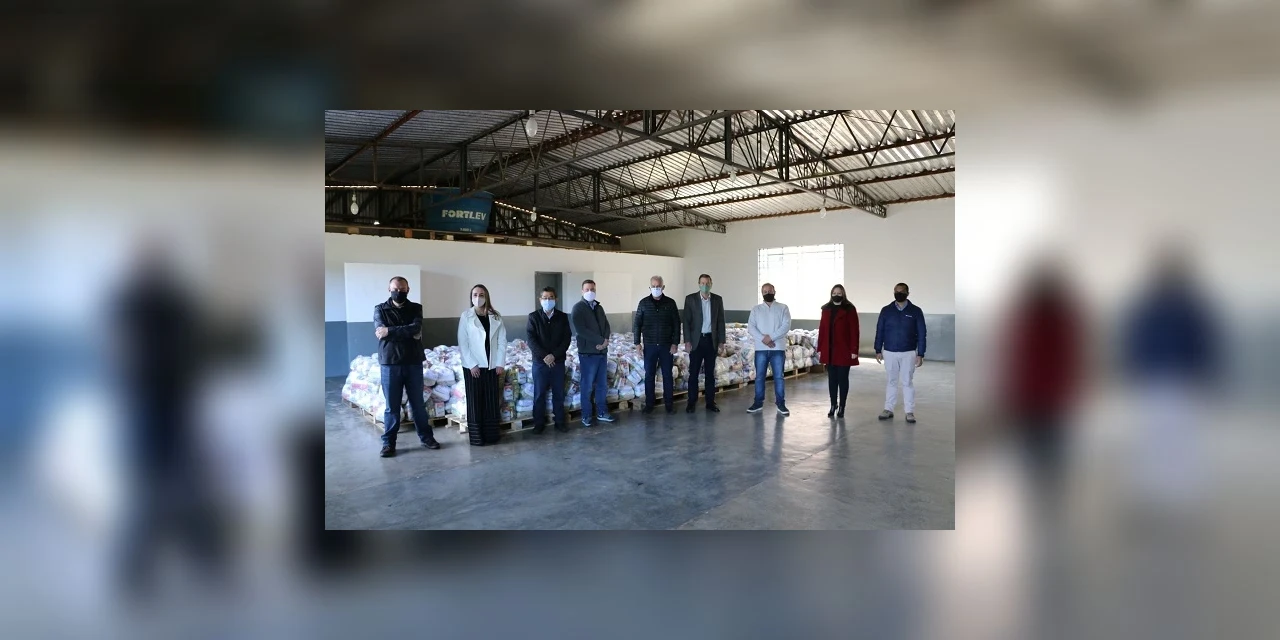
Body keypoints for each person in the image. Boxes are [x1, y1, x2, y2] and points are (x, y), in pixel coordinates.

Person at [374, 276, 441, 457]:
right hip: (390, 363)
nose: (399, 292)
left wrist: (390, 331)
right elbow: (381, 331)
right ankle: (388, 443)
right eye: (396, 289)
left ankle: (427, 438)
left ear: (408, 290)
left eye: (402, 289)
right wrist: (405, 331)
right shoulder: (380, 309)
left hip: (413, 362)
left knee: (418, 404)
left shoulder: (416, 308)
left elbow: (416, 328)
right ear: (389, 289)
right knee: (392, 407)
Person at [458, 284, 506, 446]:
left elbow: (502, 341)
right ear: (471, 297)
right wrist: (472, 364)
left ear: (487, 297)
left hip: (492, 365)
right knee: (475, 401)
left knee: (491, 400)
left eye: (481, 294)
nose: (478, 298)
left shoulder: (496, 316)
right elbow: (463, 343)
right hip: (473, 367)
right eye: (475, 294)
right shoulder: (466, 316)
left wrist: (500, 363)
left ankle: (491, 436)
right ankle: (477, 437)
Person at [875, 282, 927, 423]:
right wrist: (878, 349)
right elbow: (880, 330)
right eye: (896, 291)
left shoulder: (916, 311)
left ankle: (909, 411)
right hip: (889, 351)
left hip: (908, 352)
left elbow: (922, 333)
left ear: (907, 293)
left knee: (907, 382)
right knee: (891, 381)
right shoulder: (886, 310)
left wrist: (921, 353)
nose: (899, 294)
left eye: (902, 291)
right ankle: (888, 409)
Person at [526, 286, 571, 434]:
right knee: (539, 394)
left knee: (559, 393)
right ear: (540, 300)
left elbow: (566, 339)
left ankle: (560, 422)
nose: (547, 300)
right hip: (540, 363)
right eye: (544, 298)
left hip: (558, 362)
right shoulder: (534, 317)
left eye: (550, 297)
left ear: (556, 299)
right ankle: (538, 423)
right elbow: (531, 340)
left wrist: (554, 355)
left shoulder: (562, 317)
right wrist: (545, 356)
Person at [570, 279, 615, 427]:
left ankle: (602, 412)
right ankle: (586, 415)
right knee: (587, 385)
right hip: (588, 353)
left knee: (602, 385)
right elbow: (581, 330)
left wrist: (605, 340)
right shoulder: (578, 308)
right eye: (587, 289)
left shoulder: (598, 307)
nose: (590, 292)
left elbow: (606, 325)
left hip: (602, 353)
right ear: (582, 291)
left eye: (593, 289)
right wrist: (600, 340)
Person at [635, 275, 682, 414]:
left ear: (663, 287)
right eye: (654, 286)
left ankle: (669, 405)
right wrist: (637, 343)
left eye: (658, 286)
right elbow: (637, 324)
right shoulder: (643, 303)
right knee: (649, 375)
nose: (656, 289)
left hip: (666, 346)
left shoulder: (670, 303)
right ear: (650, 287)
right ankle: (649, 404)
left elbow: (676, 324)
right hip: (649, 345)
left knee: (667, 375)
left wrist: (675, 343)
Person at [682, 273, 726, 413]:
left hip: (711, 340)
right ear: (698, 284)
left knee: (710, 374)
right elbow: (686, 321)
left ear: (711, 284)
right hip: (696, 341)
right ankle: (691, 402)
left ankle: (710, 402)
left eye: (707, 283)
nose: (705, 286)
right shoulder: (690, 299)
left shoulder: (717, 300)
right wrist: (687, 341)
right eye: (702, 283)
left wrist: (721, 341)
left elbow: (721, 321)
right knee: (693, 373)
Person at [747, 283, 792, 416]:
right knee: (760, 377)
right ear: (762, 293)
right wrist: (763, 339)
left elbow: (786, 326)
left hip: (778, 348)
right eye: (765, 291)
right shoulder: (756, 309)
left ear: (774, 291)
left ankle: (781, 403)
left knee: (779, 377)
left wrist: (771, 337)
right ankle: (758, 403)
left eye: (770, 290)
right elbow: (751, 327)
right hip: (760, 349)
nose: (768, 293)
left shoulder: (783, 308)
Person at [817, 284, 859, 418]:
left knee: (843, 379)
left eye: (839, 293)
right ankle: (833, 404)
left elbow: (854, 330)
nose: (836, 295)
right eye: (834, 293)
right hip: (829, 350)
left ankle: (842, 406)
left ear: (843, 294)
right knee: (832, 380)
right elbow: (822, 329)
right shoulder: (826, 309)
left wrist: (854, 349)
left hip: (844, 350)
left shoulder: (849, 309)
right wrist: (820, 348)